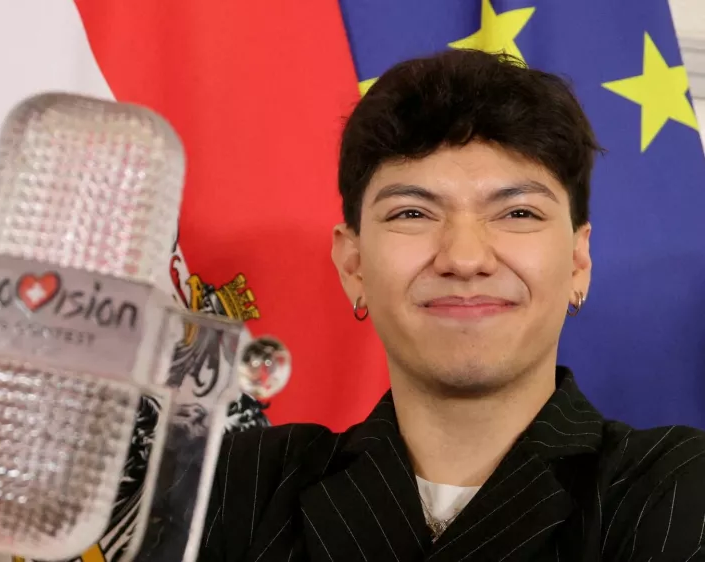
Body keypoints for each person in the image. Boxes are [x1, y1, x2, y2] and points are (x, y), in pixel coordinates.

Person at [197, 49, 705, 561]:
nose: (464, 259)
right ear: (353, 265)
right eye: (412, 212)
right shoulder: (237, 481)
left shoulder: (675, 486)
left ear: (578, 261)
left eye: (519, 212)